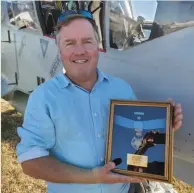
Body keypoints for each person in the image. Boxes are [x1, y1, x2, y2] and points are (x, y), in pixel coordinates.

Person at [16, 10, 183, 193]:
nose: (79, 51)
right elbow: (30, 162)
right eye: (69, 43)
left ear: (98, 45)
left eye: (87, 41)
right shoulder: (43, 99)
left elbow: (136, 136)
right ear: (60, 49)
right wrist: (91, 177)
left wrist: (162, 126)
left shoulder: (121, 89)